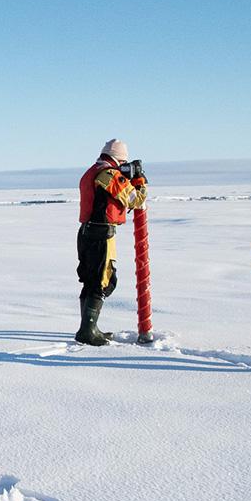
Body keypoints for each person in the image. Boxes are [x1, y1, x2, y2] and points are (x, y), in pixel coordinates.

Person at [75, 139, 148, 346]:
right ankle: (87, 330)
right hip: (101, 235)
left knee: (90, 279)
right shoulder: (109, 174)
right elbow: (136, 200)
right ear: (119, 158)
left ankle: (88, 327)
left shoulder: (92, 171)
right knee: (103, 280)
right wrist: (140, 181)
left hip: (86, 232)